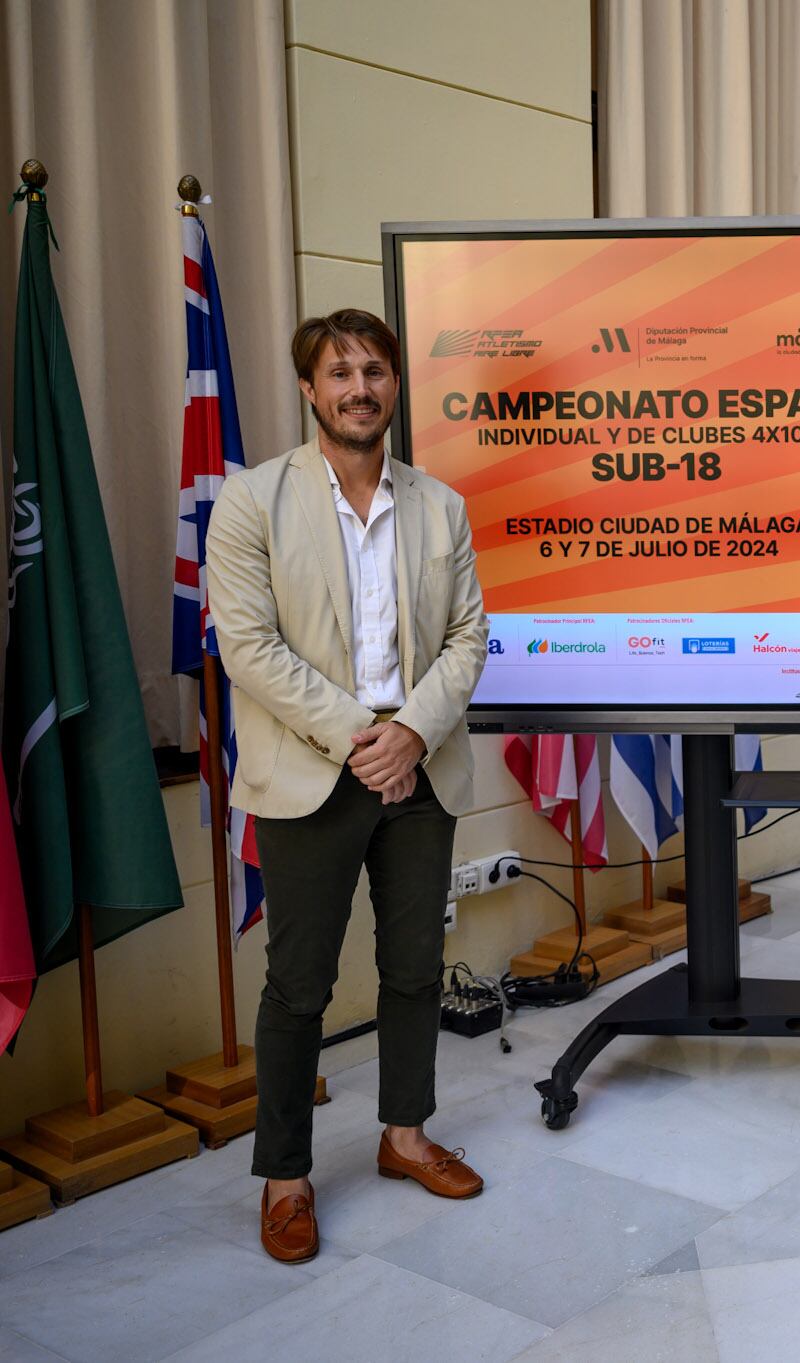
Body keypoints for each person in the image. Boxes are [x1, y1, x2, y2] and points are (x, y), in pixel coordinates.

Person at [207, 308, 492, 1264]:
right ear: (309, 389)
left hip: (418, 767)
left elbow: (467, 640)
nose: (358, 387)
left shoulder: (439, 505)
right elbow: (247, 648)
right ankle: (285, 1178)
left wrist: (410, 732)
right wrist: (362, 736)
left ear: (394, 384)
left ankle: (403, 1134)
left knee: (415, 966)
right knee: (299, 987)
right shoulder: (251, 502)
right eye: (339, 373)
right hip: (310, 771)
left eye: (374, 369)